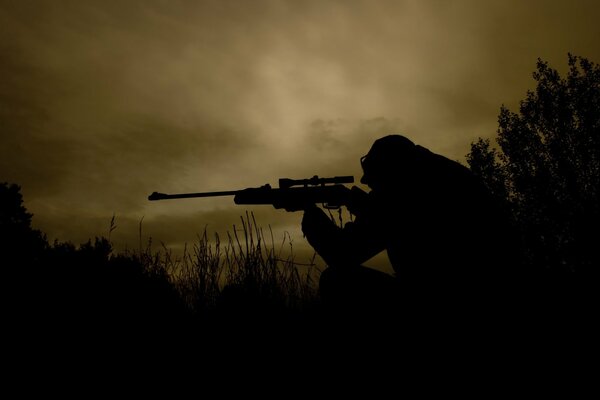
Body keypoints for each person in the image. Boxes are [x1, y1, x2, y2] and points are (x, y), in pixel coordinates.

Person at [301, 134, 522, 324]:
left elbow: (343, 254)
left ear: (391, 171)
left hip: (444, 299)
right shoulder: (445, 174)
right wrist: (363, 207)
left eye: (375, 179)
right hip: (495, 292)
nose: (370, 184)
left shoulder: (404, 191)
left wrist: (312, 216)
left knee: (337, 281)